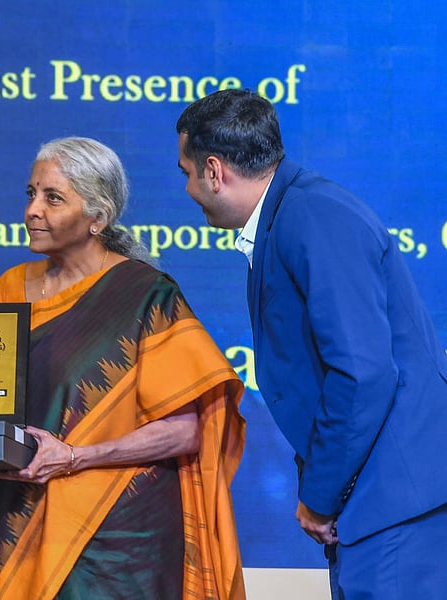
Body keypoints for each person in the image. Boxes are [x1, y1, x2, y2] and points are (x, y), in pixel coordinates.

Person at [0, 136, 246, 599]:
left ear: (97, 218)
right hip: (21, 517)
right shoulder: (12, 286)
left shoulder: (146, 293)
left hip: (116, 539)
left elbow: (185, 432)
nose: (32, 211)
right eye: (31, 194)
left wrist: (75, 456)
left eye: (53, 198)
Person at [176, 88, 447, 599]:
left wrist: (320, 496)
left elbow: (363, 373)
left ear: (214, 170)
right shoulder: (291, 214)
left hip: (396, 503)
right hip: (375, 501)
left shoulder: (313, 215)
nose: (188, 188)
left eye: (187, 172)